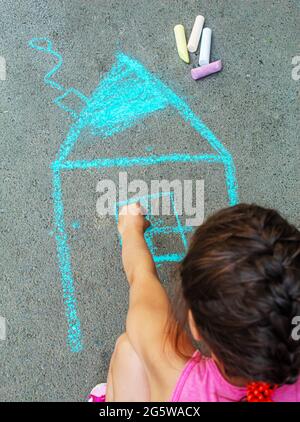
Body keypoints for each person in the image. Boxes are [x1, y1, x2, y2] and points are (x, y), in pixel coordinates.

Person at [89, 203, 300, 402]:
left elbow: (141, 278)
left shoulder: (179, 378)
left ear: (196, 326)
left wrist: (130, 230)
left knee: (129, 350)